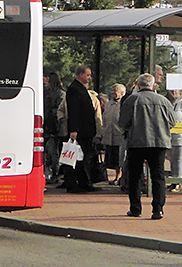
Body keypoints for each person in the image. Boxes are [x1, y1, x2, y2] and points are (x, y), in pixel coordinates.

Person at [118, 73, 174, 219]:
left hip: (136, 142)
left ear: (138, 85)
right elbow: (172, 122)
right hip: (159, 143)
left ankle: (135, 208)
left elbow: (123, 123)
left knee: (135, 176)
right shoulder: (164, 101)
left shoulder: (131, 100)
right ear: (153, 86)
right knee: (158, 177)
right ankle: (158, 209)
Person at [65, 64, 99, 193]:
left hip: (85, 129)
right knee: (78, 157)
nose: (89, 77)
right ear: (80, 75)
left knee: (84, 157)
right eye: (87, 74)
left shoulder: (80, 88)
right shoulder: (75, 89)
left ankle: (84, 181)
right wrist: (74, 130)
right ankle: (75, 183)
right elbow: (74, 111)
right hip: (80, 130)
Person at [43, 69, 65, 183]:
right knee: (49, 151)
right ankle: (51, 171)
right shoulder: (48, 93)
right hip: (49, 126)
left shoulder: (57, 94)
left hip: (53, 126)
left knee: (53, 151)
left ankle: (55, 171)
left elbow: (59, 110)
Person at [165, 89, 182, 192]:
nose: (173, 92)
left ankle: (178, 182)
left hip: (181, 136)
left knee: (179, 159)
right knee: (172, 159)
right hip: (169, 135)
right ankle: (173, 181)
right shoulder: (165, 101)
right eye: (171, 90)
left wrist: (177, 122)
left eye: (175, 90)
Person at [101, 83, 126, 184]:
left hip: (119, 135)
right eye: (112, 91)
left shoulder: (124, 104)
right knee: (111, 158)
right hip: (109, 134)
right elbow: (104, 118)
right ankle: (115, 177)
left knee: (119, 157)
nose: (113, 93)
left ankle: (119, 176)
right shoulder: (108, 104)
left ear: (121, 92)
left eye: (115, 91)